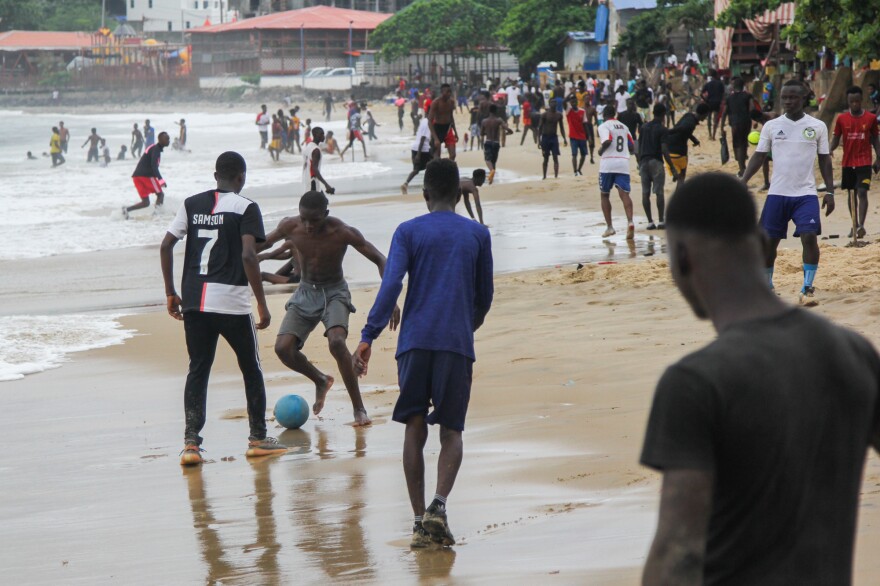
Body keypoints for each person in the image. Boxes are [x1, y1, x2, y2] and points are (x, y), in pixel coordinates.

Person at [640, 171, 880, 586]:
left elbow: (678, 554)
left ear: (681, 258)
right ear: (758, 242)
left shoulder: (696, 382)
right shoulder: (852, 352)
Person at [354, 159, 493, 549]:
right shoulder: (477, 234)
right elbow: (485, 297)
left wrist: (368, 335)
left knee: (414, 426)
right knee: (452, 430)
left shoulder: (408, 231)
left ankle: (418, 522)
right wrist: (467, 327)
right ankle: (439, 506)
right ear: (457, 194)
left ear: (426, 194)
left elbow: (392, 284)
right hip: (455, 343)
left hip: (413, 343)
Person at [160, 151, 286, 466]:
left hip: (194, 301)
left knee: (198, 368)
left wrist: (171, 293)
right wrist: (261, 301)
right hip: (231, 301)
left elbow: (165, 245)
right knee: (250, 367)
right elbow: (248, 255)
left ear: (215, 174)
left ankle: (191, 445)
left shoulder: (191, 204)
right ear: (241, 177)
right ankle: (257, 437)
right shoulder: (246, 207)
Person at [260, 191, 399, 427]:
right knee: (283, 349)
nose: (308, 225)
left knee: (337, 342)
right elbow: (258, 245)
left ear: (325, 214)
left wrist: (390, 297)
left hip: (335, 291)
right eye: (304, 219)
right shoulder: (290, 226)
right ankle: (321, 380)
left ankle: (359, 409)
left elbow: (380, 259)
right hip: (305, 292)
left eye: (314, 220)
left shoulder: (342, 232)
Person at [741, 80, 835, 305]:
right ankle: (767, 285)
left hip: (806, 194)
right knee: (768, 243)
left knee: (809, 237)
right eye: (784, 98)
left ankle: (808, 287)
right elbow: (759, 155)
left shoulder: (817, 126)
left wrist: (830, 191)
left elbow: (825, 160)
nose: (788, 102)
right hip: (777, 194)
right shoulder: (771, 126)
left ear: (804, 98)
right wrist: (743, 180)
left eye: (793, 97)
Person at [830, 86, 880, 240]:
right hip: (847, 163)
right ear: (848, 101)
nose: (855, 104)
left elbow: (875, 139)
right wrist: (829, 150)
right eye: (852, 101)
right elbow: (836, 138)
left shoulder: (870, 119)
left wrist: (878, 157)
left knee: (862, 192)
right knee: (851, 194)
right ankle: (854, 224)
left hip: (864, 162)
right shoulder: (841, 119)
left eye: (857, 101)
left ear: (861, 100)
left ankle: (861, 226)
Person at [597, 105, 635, 239]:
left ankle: (610, 227)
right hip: (623, 163)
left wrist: (601, 151)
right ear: (615, 114)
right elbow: (632, 146)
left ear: (603, 115)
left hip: (608, 163)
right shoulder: (624, 127)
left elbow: (607, 140)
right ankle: (630, 221)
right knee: (624, 194)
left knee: (604, 194)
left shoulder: (603, 126)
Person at [123, 131, 170, 219]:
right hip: (146, 176)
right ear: (160, 140)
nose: (168, 141)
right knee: (160, 195)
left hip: (136, 177)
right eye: (166, 139)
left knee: (145, 202)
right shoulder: (156, 149)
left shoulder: (153, 148)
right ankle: (157, 215)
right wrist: (161, 180)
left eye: (168, 139)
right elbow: (153, 165)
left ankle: (126, 210)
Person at [662, 103, 709, 183]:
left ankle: (676, 173)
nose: (706, 117)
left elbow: (685, 130)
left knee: (679, 170)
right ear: (703, 114)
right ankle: (678, 187)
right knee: (682, 176)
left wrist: (694, 140)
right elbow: (683, 128)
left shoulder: (688, 115)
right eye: (706, 115)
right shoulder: (691, 124)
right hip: (678, 152)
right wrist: (668, 131)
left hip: (668, 148)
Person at [638, 104, 668, 229]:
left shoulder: (643, 127)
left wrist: (639, 162)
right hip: (656, 162)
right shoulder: (662, 129)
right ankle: (661, 221)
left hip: (643, 162)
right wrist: (671, 165)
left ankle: (650, 222)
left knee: (645, 193)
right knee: (659, 192)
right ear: (663, 115)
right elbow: (664, 149)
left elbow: (638, 146)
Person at [719, 77, 755, 177]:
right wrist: (755, 120)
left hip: (735, 124)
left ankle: (742, 169)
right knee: (743, 143)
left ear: (733, 86)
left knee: (737, 146)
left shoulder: (729, 98)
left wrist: (721, 126)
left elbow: (724, 112)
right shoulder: (748, 96)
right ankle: (742, 166)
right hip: (746, 122)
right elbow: (752, 108)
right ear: (743, 85)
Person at [481, 104, 512, 184]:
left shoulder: (484, 121)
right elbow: (507, 128)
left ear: (489, 111)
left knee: (488, 160)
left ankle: (491, 171)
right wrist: (509, 132)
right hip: (496, 143)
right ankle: (491, 181)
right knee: (493, 161)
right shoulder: (499, 120)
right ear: (496, 111)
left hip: (488, 141)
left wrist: (486, 133)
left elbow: (481, 133)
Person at [402, 115, 432, 194]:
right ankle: (428, 186)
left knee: (416, 170)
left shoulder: (424, 120)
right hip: (423, 149)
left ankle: (406, 183)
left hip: (415, 147)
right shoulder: (428, 123)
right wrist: (418, 155)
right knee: (431, 166)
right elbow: (423, 138)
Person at [539, 99, 567, 180]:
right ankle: (544, 176)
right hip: (545, 137)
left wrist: (564, 138)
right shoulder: (544, 115)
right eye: (552, 102)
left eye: (555, 102)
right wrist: (539, 140)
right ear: (549, 104)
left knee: (555, 157)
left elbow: (561, 128)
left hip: (554, 137)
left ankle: (556, 176)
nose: (553, 104)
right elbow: (540, 128)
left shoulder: (559, 115)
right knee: (545, 157)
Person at [428, 83, 458, 160]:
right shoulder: (436, 102)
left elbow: (451, 117)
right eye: (447, 92)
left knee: (453, 155)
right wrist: (435, 138)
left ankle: (447, 170)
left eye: (450, 91)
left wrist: (455, 132)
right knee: (437, 156)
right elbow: (430, 121)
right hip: (437, 128)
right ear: (442, 92)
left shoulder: (451, 102)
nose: (449, 94)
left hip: (448, 128)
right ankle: (438, 170)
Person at [302, 127, 335, 195]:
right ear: (315, 135)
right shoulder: (316, 150)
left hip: (306, 181)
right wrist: (326, 184)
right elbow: (314, 169)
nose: (323, 136)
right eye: (321, 134)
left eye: (323, 134)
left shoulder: (309, 146)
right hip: (312, 183)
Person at [565, 97, 588, 176]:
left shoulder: (582, 111)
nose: (574, 103)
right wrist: (570, 93)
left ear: (577, 102)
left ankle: (579, 169)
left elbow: (585, 124)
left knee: (583, 154)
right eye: (572, 102)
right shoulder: (568, 111)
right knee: (574, 154)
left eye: (575, 102)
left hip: (582, 136)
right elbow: (564, 101)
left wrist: (589, 136)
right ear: (570, 103)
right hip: (573, 136)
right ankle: (575, 171)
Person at [702, 69, 726, 140]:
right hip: (717, 103)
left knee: (709, 118)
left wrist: (705, 100)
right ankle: (713, 135)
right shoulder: (720, 84)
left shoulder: (708, 84)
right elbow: (723, 94)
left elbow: (702, 93)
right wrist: (722, 101)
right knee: (716, 119)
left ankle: (709, 134)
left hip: (709, 102)